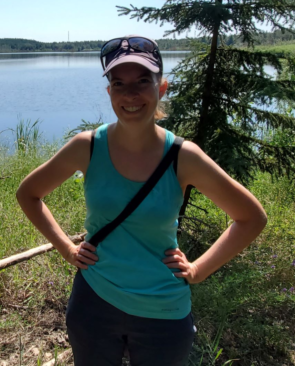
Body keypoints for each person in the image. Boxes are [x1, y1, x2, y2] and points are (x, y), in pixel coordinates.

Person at [15, 36, 268, 366]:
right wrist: (67, 248)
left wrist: (198, 270)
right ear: (109, 93)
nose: (130, 94)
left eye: (142, 81)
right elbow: (28, 194)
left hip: (162, 310)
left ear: (161, 87)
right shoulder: (87, 147)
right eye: (119, 83)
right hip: (94, 302)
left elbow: (251, 217)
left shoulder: (182, 156)